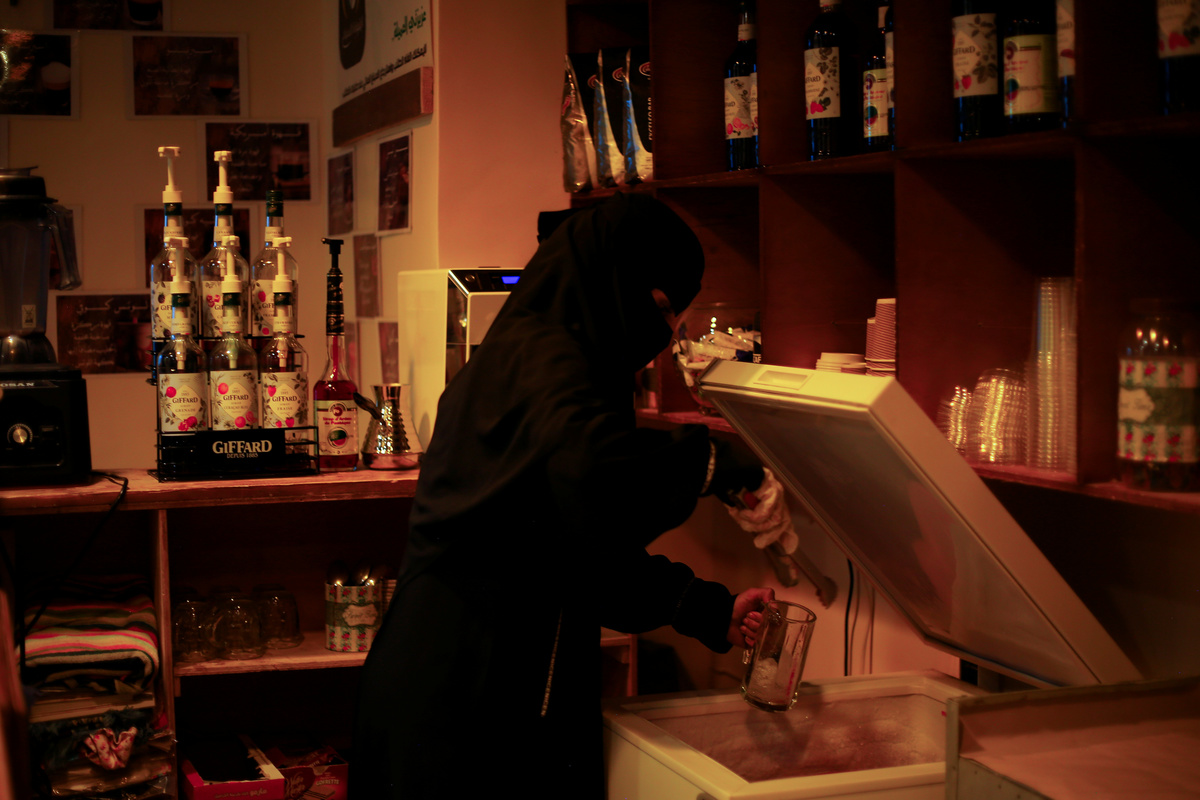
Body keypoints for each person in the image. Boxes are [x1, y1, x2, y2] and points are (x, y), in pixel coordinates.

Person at [352, 192, 773, 798]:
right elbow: (596, 481)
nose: (659, 336)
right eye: (657, 307)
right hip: (461, 701)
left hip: (477, 686)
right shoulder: (541, 365)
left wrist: (707, 609)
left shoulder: (540, 359)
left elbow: (576, 552)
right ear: (611, 279)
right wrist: (712, 463)